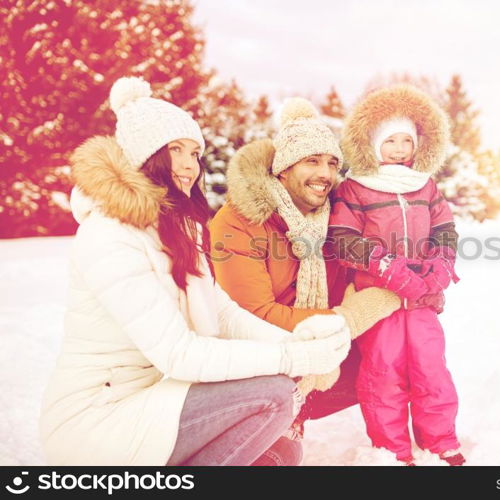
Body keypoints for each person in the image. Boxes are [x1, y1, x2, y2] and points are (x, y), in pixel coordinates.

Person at [38, 77, 351, 466]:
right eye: (176, 150)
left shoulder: (178, 230)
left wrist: (297, 346)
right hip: (97, 419)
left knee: (284, 452)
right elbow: (178, 354)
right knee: (274, 395)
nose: (190, 164)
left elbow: (224, 314)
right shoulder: (108, 237)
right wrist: (292, 362)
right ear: (144, 155)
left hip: (156, 399)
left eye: (195, 152)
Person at [209, 98, 401, 435]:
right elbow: (253, 315)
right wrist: (348, 319)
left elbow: (370, 268)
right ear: (283, 169)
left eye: (331, 163)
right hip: (255, 355)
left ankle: (299, 409)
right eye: (311, 161)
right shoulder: (240, 220)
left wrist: (414, 286)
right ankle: (266, 416)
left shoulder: (334, 221)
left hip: (311, 345)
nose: (325, 174)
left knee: (399, 349)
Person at [329, 85, 465, 466]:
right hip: (379, 299)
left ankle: (440, 440)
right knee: (383, 372)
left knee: (431, 368)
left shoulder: (424, 184)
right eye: (391, 140)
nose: (401, 149)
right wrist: (386, 267)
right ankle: (392, 449)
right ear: (373, 144)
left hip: (422, 296)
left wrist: (441, 265)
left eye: (407, 140)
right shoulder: (357, 187)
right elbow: (343, 238)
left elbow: (444, 229)